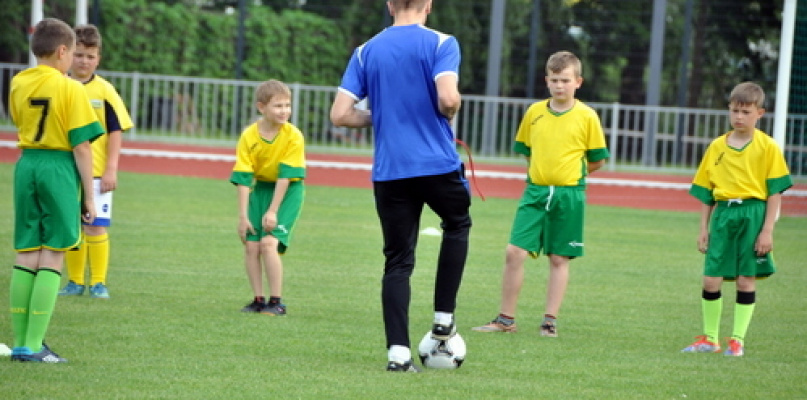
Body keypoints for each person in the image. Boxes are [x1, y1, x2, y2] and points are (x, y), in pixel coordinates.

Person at [330, 0, 472, 372]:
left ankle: (398, 355)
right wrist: (450, 110)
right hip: (436, 164)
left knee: (398, 262)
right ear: (428, 4)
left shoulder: (365, 51)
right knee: (457, 224)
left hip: (391, 170)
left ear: (390, 4)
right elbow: (448, 97)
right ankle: (443, 319)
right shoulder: (442, 43)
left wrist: (384, 114)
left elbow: (340, 114)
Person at [472, 51, 609, 338]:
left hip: (569, 195)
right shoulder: (534, 113)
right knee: (514, 252)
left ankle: (549, 321)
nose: (560, 86)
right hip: (535, 192)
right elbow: (527, 151)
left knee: (559, 258)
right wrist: (543, 175)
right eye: (555, 80)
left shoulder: (587, 116)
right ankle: (505, 319)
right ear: (546, 81)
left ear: (578, 82)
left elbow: (597, 159)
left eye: (566, 80)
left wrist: (571, 174)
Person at [8, 18, 104, 363]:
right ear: (62, 51)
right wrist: (90, 197)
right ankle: (33, 345)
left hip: (27, 164)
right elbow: (82, 146)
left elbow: (20, 121)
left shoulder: (18, 82)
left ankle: (21, 342)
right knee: (54, 251)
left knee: (27, 251)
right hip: (57, 167)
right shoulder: (71, 88)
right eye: (73, 53)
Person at [681, 82, 792, 357]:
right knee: (710, 279)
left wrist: (767, 230)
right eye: (734, 111)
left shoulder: (767, 147)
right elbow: (707, 194)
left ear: (760, 113)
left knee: (745, 280)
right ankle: (710, 338)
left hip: (753, 214)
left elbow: (775, 193)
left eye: (745, 111)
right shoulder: (717, 146)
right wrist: (703, 229)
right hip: (723, 215)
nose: (739, 117)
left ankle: (737, 340)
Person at [59, 24, 134, 299]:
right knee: (72, 225)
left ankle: (99, 283)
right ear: (67, 54)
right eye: (79, 55)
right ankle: (75, 281)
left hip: (97, 171)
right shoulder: (61, 86)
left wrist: (111, 168)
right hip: (65, 169)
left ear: (98, 58)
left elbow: (116, 130)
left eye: (90, 56)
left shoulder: (105, 91)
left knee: (95, 224)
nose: (84, 61)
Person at [230, 79, 306, 316]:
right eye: (278, 106)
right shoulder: (249, 136)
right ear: (261, 107)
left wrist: (273, 211)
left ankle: (277, 302)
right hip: (261, 189)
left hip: (287, 192)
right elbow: (243, 178)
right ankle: (258, 300)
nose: (285, 111)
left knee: (269, 243)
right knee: (251, 245)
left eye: (287, 105)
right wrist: (243, 217)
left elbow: (285, 177)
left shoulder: (293, 136)